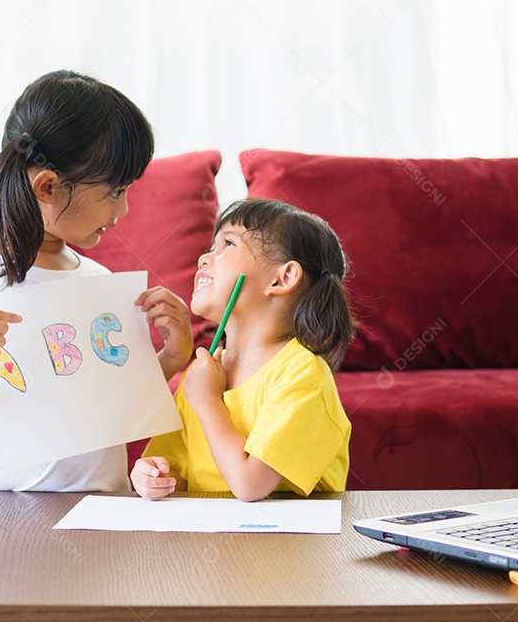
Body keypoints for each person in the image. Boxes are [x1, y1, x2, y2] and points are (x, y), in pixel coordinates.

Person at [0, 70, 192, 491]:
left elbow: (116, 398)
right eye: (114, 192)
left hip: (98, 520)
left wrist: (173, 355)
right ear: (48, 186)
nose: (125, 209)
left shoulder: (100, 283)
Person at [131, 198, 355, 502]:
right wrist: (153, 476)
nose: (204, 258)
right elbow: (175, 473)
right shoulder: (201, 375)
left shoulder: (303, 374)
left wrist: (208, 401)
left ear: (282, 278)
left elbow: (250, 485)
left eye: (228, 245)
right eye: (212, 247)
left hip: (285, 546)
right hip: (213, 542)